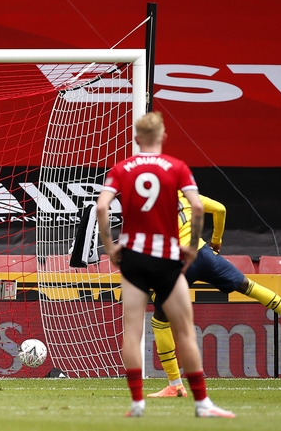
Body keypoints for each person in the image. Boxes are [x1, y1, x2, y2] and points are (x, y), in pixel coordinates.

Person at [95, 111, 234, 418]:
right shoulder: (177, 167)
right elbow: (198, 207)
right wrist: (191, 247)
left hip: (133, 257)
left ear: (136, 138)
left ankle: (137, 403)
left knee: (132, 332)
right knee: (184, 330)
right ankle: (202, 404)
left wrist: (110, 247)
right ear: (163, 137)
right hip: (167, 258)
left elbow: (102, 206)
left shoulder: (122, 169)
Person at [147, 191, 281, 398]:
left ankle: (175, 385)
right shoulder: (184, 194)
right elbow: (220, 209)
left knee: (160, 322)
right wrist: (216, 241)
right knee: (249, 286)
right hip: (203, 253)